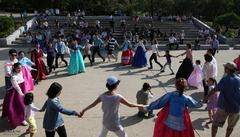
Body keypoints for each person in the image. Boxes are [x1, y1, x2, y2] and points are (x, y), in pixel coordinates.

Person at [80, 76, 144, 137]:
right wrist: (140, 105)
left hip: (105, 121)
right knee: (124, 136)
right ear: (115, 86)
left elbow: (93, 104)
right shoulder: (118, 97)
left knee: (102, 134)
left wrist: (83, 110)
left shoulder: (102, 96)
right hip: (114, 123)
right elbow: (130, 105)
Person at [205, 62, 240, 137]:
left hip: (224, 107)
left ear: (227, 69)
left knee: (215, 125)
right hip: (236, 108)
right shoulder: (239, 79)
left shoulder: (225, 79)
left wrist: (206, 97)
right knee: (231, 126)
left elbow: (215, 89)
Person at [2, 63, 26, 128]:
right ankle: (16, 119)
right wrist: (22, 94)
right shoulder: (13, 77)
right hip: (15, 93)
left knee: (23, 105)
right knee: (18, 106)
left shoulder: (20, 72)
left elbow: (23, 80)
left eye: (20, 68)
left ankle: (22, 118)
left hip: (22, 89)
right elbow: (16, 86)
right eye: (18, 68)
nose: (20, 69)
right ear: (14, 68)